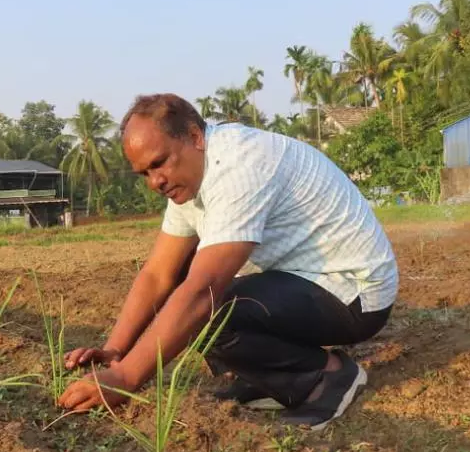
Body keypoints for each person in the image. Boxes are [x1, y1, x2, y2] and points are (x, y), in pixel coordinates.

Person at [55, 93, 398, 431]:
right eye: (143, 173)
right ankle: (269, 377)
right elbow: (159, 273)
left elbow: (202, 292)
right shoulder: (190, 176)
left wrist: (125, 378)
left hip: (355, 293)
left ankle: (327, 377)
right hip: (307, 280)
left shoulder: (239, 166)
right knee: (183, 287)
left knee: (207, 310)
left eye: (159, 163)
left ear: (194, 136)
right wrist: (115, 351)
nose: (155, 182)